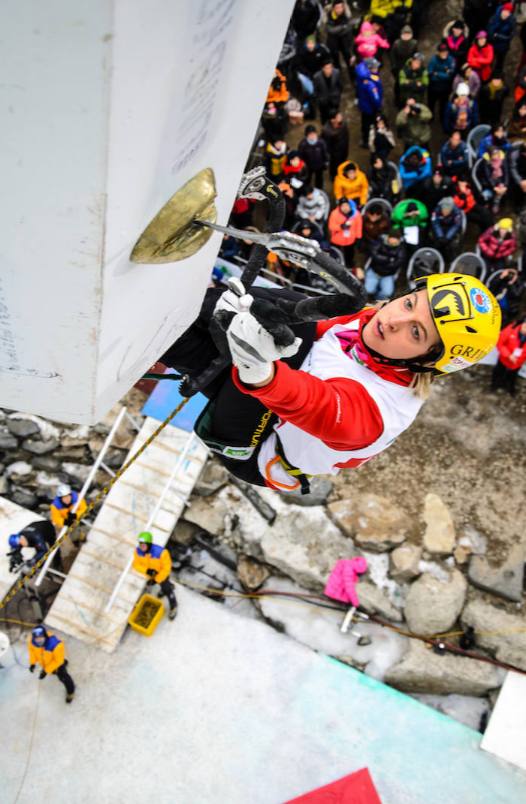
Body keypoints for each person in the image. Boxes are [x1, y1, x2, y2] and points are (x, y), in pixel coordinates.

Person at [160, 273, 501, 493]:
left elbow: (316, 404)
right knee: (295, 314)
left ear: (428, 361)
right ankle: (189, 302)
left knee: (291, 331)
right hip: (280, 401)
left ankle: (162, 335)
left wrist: (262, 372)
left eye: (416, 332)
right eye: (409, 304)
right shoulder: (370, 322)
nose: (394, 319)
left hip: (257, 447)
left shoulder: (379, 414)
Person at [132, 532, 178, 620]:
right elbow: (136, 564)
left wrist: (156, 580)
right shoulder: (138, 552)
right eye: (140, 544)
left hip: (162, 574)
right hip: (151, 574)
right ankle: (166, 588)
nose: (142, 547)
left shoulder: (161, 553)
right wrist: (147, 570)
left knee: (167, 588)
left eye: (144, 545)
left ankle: (174, 606)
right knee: (160, 585)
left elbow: (166, 569)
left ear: (149, 544)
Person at [28, 625, 75, 703]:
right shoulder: (32, 642)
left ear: (45, 636)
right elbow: (32, 652)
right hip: (46, 663)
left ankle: (71, 692)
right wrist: (32, 663)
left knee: (64, 677)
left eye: (41, 638)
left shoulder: (56, 645)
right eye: (36, 639)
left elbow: (58, 661)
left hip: (57, 665)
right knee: (55, 666)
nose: (39, 641)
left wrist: (45, 671)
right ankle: (62, 663)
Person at [365, 229, 406, 300]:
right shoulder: (380, 242)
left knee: (387, 293)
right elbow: (374, 255)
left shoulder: (401, 248)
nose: (394, 240)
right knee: (368, 290)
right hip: (374, 271)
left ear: (399, 239)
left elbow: (397, 263)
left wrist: (382, 260)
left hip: (388, 275)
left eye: (396, 238)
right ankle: (374, 291)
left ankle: (377, 299)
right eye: (392, 237)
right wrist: (389, 259)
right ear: (388, 237)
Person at [491, 318, 526, 395]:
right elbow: (500, 342)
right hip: (504, 359)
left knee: (512, 377)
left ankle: (510, 388)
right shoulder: (511, 328)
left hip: (517, 363)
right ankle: (494, 385)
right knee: (498, 372)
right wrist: (509, 355)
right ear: (523, 323)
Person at [355, 58, 384, 147]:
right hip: (371, 108)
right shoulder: (371, 83)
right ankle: (369, 141)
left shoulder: (362, 76)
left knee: (365, 123)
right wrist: (379, 106)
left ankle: (364, 140)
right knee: (372, 124)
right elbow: (375, 98)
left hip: (364, 105)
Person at [328, 197, 363, 266]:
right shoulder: (334, 214)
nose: (345, 208)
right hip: (336, 240)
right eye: (343, 206)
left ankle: (349, 266)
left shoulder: (356, 214)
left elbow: (359, 226)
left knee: (349, 256)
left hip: (350, 240)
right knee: (335, 256)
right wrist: (341, 227)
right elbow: (331, 227)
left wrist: (358, 238)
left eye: (347, 205)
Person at [427, 42, 456, 121]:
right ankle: (430, 117)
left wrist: (436, 73)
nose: (444, 53)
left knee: (443, 105)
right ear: (438, 52)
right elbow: (430, 73)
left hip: (445, 87)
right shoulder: (433, 60)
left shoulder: (451, 59)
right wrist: (444, 74)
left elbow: (450, 75)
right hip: (434, 86)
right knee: (431, 104)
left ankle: (442, 118)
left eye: (445, 51)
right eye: (442, 51)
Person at [390, 24, 417, 106]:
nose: (406, 36)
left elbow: (415, 55)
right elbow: (392, 56)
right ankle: (397, 99)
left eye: (408, 34)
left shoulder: (414, 43)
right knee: (398, 84)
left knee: (408, 84)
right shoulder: (396, 44)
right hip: (398, 66)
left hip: (408, 67)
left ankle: (406, 100)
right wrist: (394, 66)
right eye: (404, 34)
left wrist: (413, 65)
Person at [323, 1, 353, 75]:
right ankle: (339, 77)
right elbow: (330, 30)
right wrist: (342, 27)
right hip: (333, 42)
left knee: (348, 59)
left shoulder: (346, 15)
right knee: (335, 60)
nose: (339, 10)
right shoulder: (329, 15)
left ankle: (353, 76)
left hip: (345, 41)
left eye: (341, 7)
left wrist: (338, 29)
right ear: (333, 8)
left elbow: (348, 28)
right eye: (337, 8)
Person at [431, 197, 464, 262]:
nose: (445, 212)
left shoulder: (457, 212)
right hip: (440, 228)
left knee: (451, 245)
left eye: (447, 210)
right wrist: (440, 236)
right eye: (444, 210)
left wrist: (447, 237)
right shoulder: (436, 210)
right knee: (437, 243)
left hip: (451, 229)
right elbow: (435, 223)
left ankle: (452, 260)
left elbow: (456, 226)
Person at [477, 147, 510, 215]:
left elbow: (506, 172)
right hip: (490, 182)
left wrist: (505, 185)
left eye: (497, 154)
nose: (496, 156)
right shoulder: (486, 162)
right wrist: (494, 187)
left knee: (503, 189)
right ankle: (494, 204)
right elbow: (487, 176)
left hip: (501, 180)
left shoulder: (502, 160)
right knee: (494, 192)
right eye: (493, 155)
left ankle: (500, 201)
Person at [488, 3, 517, 71]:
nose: (506, 14)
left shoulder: (512, 21)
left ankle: (497, 76)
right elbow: (490, 31)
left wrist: (498, 35)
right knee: (489, 61)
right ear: (501, 10)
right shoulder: (494, 17)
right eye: (505, 11)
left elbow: (510, 36)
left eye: (508, 12)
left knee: (500, 63)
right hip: (492, 43)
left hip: (503, 46)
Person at [321, 110, 349, 179]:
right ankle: (334, 176)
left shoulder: (343, 125)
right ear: (332, 120)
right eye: (338, 116)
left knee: (343, 164)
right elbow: (326, 145)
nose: (340, 117)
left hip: (344, 150)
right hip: (334, 154)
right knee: (334, 166)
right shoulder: (327, 131)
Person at [313, 60, 343, 124]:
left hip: (335, 100)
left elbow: (340, 86)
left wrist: (338, 96)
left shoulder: (336, 73)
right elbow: (315, 91)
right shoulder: (317, 77)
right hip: (323, 102)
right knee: (325, 119)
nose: (329, 70)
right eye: (327, 68)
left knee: (336, 117)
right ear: (323, 68)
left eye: (330, 67)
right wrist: (319, 100)